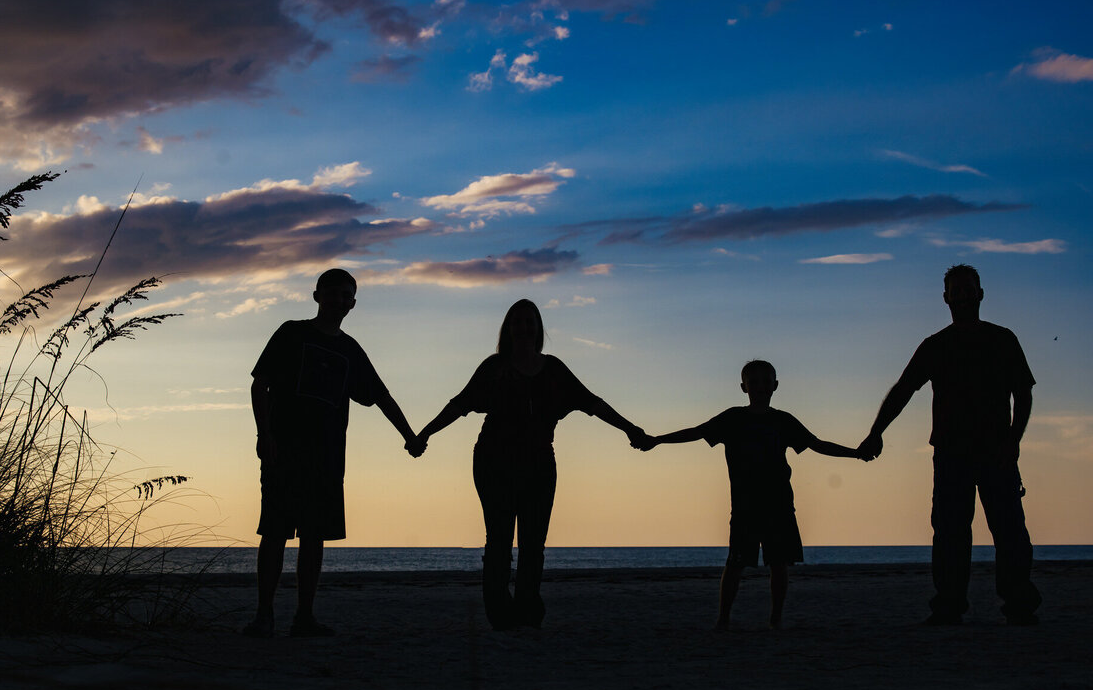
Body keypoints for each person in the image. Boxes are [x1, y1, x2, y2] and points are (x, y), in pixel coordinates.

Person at [414, 299, 645, 630]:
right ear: (508, 329)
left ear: (538, 329)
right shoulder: (494, 368)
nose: (523, 327)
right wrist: (425, 434)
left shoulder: (553, 370)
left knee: (534, 544)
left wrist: (630, 429)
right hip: (494, 461)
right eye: (517, 321)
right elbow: (460, 404)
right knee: (499, 540)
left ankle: (527, 610)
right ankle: (499, 613)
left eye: (529, 321)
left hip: (538, 463)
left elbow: (591, 402)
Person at [858, 264, 1041, 626]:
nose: (962, 295)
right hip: (951, 453)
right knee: (950, 532)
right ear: (946, 298)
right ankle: (949, 605)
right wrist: (876, 431)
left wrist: (1013, 440)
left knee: (1009, 530)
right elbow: (903, 390)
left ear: (980, 294)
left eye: (967, 289)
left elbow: (1023, 392)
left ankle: (1019, 604)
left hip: (995, 451)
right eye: (955, 291)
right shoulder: (935, 346)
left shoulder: (1002, 339)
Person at [244, 269, 421, 638]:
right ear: (317, 296)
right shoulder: (292, 332)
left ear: (353, 304)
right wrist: (265, 434)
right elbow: (260, 385)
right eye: (334, 293)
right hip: (284, 451)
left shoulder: (350, 350)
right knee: (275, 532)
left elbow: (381, 396)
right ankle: (264, 615)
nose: (341, 301)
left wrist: (409, 436)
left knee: (314, 536)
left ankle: (303, 617)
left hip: (326, 458)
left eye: (347, 296)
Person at [635, 360, 865, 629]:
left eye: (766, 382)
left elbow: (817, 444)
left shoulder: (783, 421)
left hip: (779, 505)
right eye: (754, 382)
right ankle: (723, 619)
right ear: (743, 387)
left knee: (779, 564)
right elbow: (696, 432)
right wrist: (658, 439)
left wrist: (855, 453)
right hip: (745, 506)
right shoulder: (732, 418)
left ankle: (776, 619)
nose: (760, 387)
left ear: (775, 386)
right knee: (735, 563)